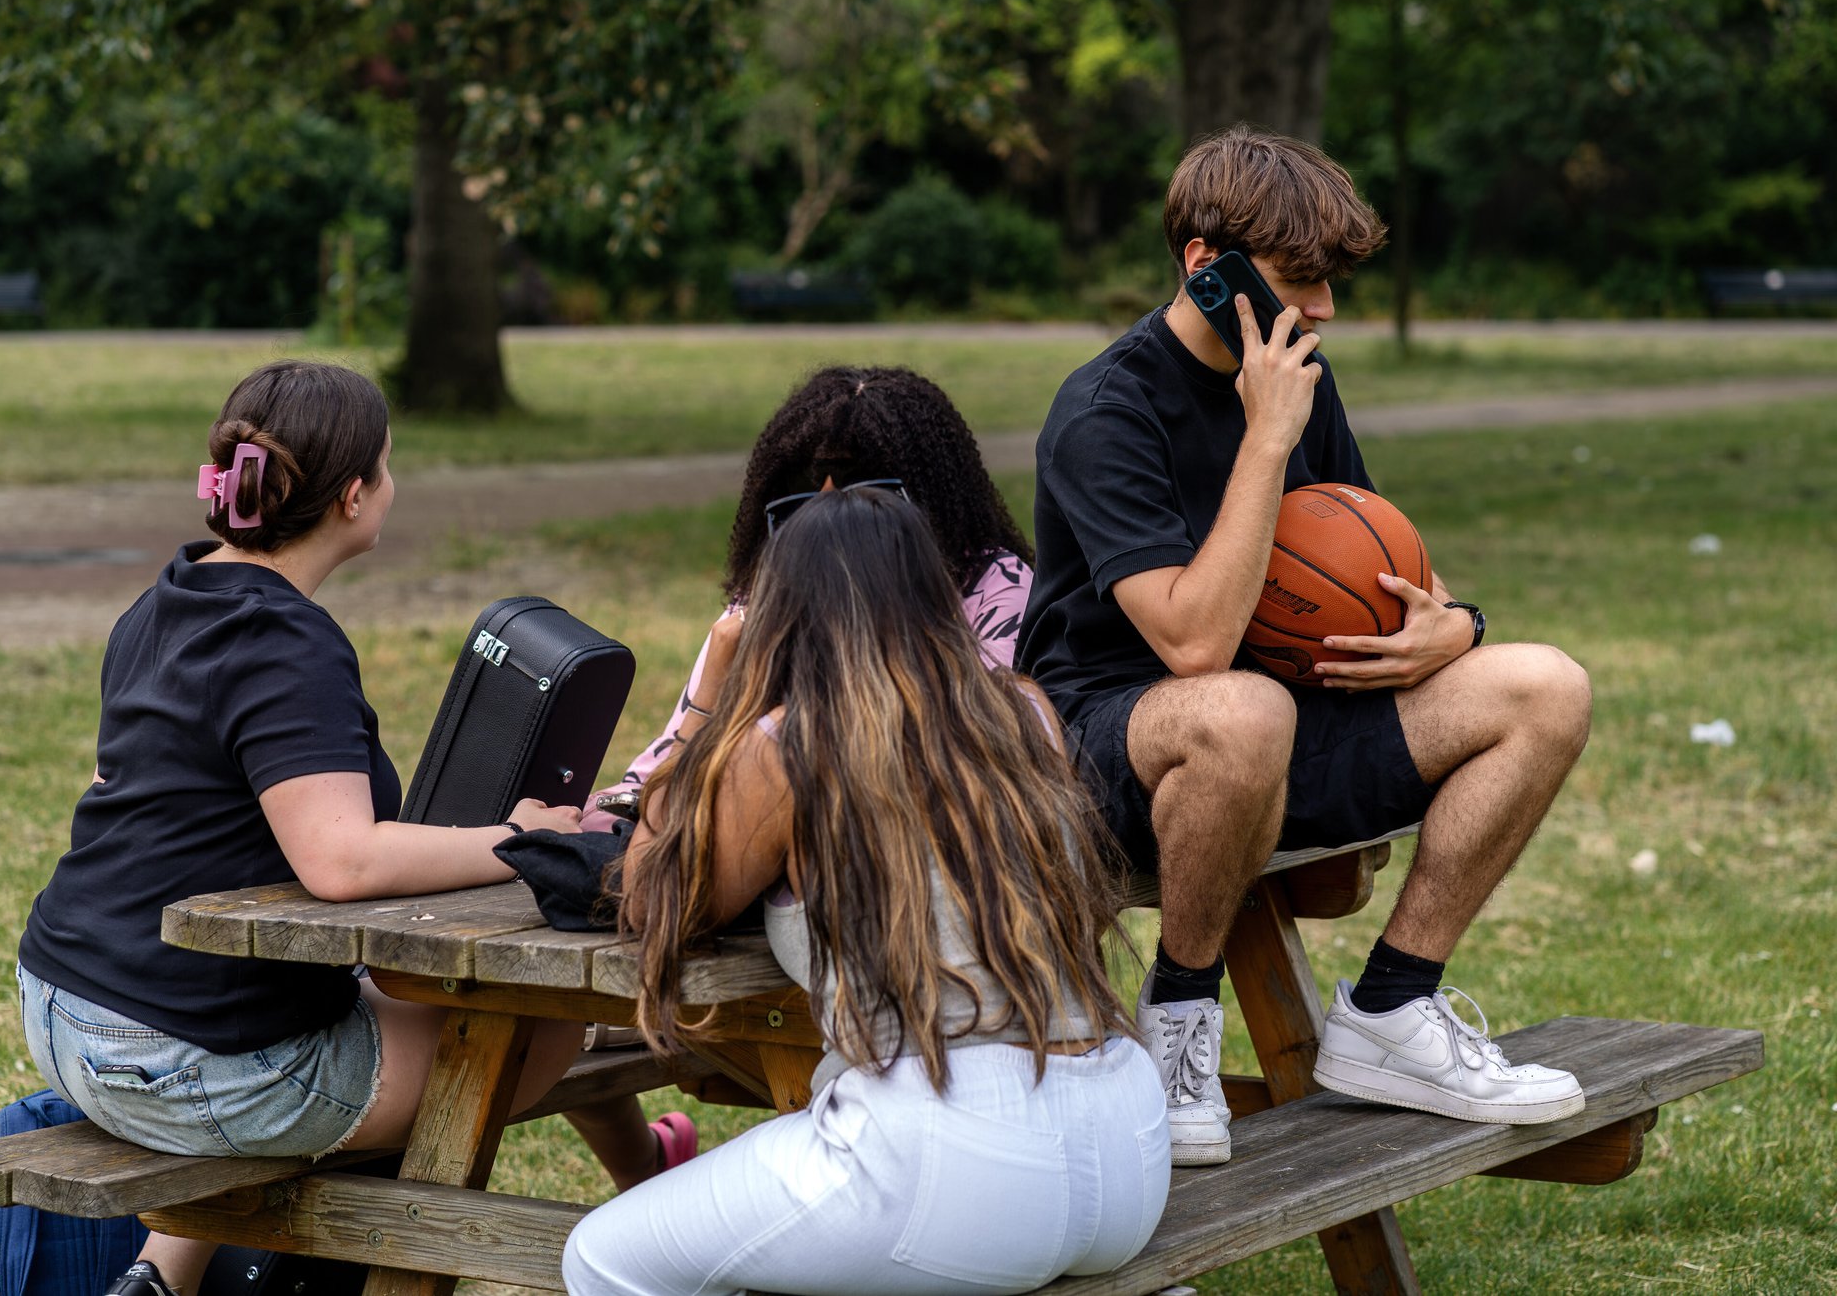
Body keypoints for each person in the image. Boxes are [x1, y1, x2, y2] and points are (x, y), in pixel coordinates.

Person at [1016, 125, 1594, 1168]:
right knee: (1241, 708)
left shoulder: (1296, 370)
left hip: (1283, 725)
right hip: (1109, 757)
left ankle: (1390, 1010)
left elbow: (1387, 560)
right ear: (1205, 266)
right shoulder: (1103, 409)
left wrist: (1451, 629)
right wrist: (1264, 438)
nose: (1323, 310)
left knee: (1542, 687)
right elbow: (1190, 644)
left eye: (1330, 283)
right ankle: (1179, 1022)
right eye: (1299, 281)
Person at [13, 361, 642, 1296]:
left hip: (64, 1005)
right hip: (177, 1057)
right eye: (389, 467)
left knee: (378, 1002)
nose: (392, 485)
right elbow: (340, 860)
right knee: (527, 1033)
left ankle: (159, 1277)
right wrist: (520, 836)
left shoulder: (167, 599)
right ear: (354, 494)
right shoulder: (286, 641)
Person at [563, 488, 1171, 1296]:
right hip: (1128, 1141)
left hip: (954, 1149)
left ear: (783, 611)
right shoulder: (1025, 711)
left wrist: (707, 701)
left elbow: (648, 900)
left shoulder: (788, 743)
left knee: (602, 1259)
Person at [584, 364, 1033, 830]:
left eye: (866, 503)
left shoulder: (996, 593)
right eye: (800, 506)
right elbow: (654, 773)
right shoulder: (765, 590)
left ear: (929, 506)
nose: (829, 531)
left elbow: (952, 771)